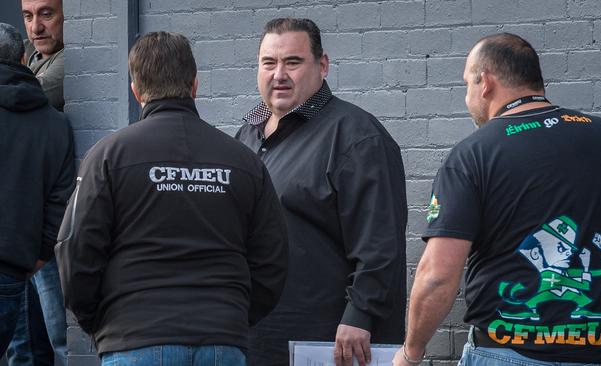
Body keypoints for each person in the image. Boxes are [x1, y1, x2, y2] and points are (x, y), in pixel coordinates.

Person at [392, 33, 601, 366]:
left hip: (506, 351)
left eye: (467, 84)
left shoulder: (474, 154)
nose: (467, 97)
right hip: (600, 347)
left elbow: (437, 274)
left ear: (486, 83)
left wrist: (411, 352)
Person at [55, 31, 289, 366]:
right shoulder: (244, 161)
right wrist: (232, 316)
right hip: (222, 340)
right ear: (195, 85)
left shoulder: (108, 156)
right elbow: (273, 258)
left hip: (134, 336)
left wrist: (99, 321)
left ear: (136, 91)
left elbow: (74, 248)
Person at [236, 18, 407, 366]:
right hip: (257, 338)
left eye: (293, 62)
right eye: (269, 63)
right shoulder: (247, 135)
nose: (278, 74)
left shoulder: (357, 137)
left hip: (330, 342)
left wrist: (360, 315)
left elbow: (380, 242)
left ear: (323, 66)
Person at [0, 21, 74, 355]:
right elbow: (60, 198)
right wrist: (39, 255)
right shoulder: (55, 123)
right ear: (21, 59)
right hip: (14, 268)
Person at [22, 0, 64, 111]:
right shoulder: (22, 47)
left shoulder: (74, 58)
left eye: (46, 14)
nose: (35, 28)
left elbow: (24, 99)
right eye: (28, 16)